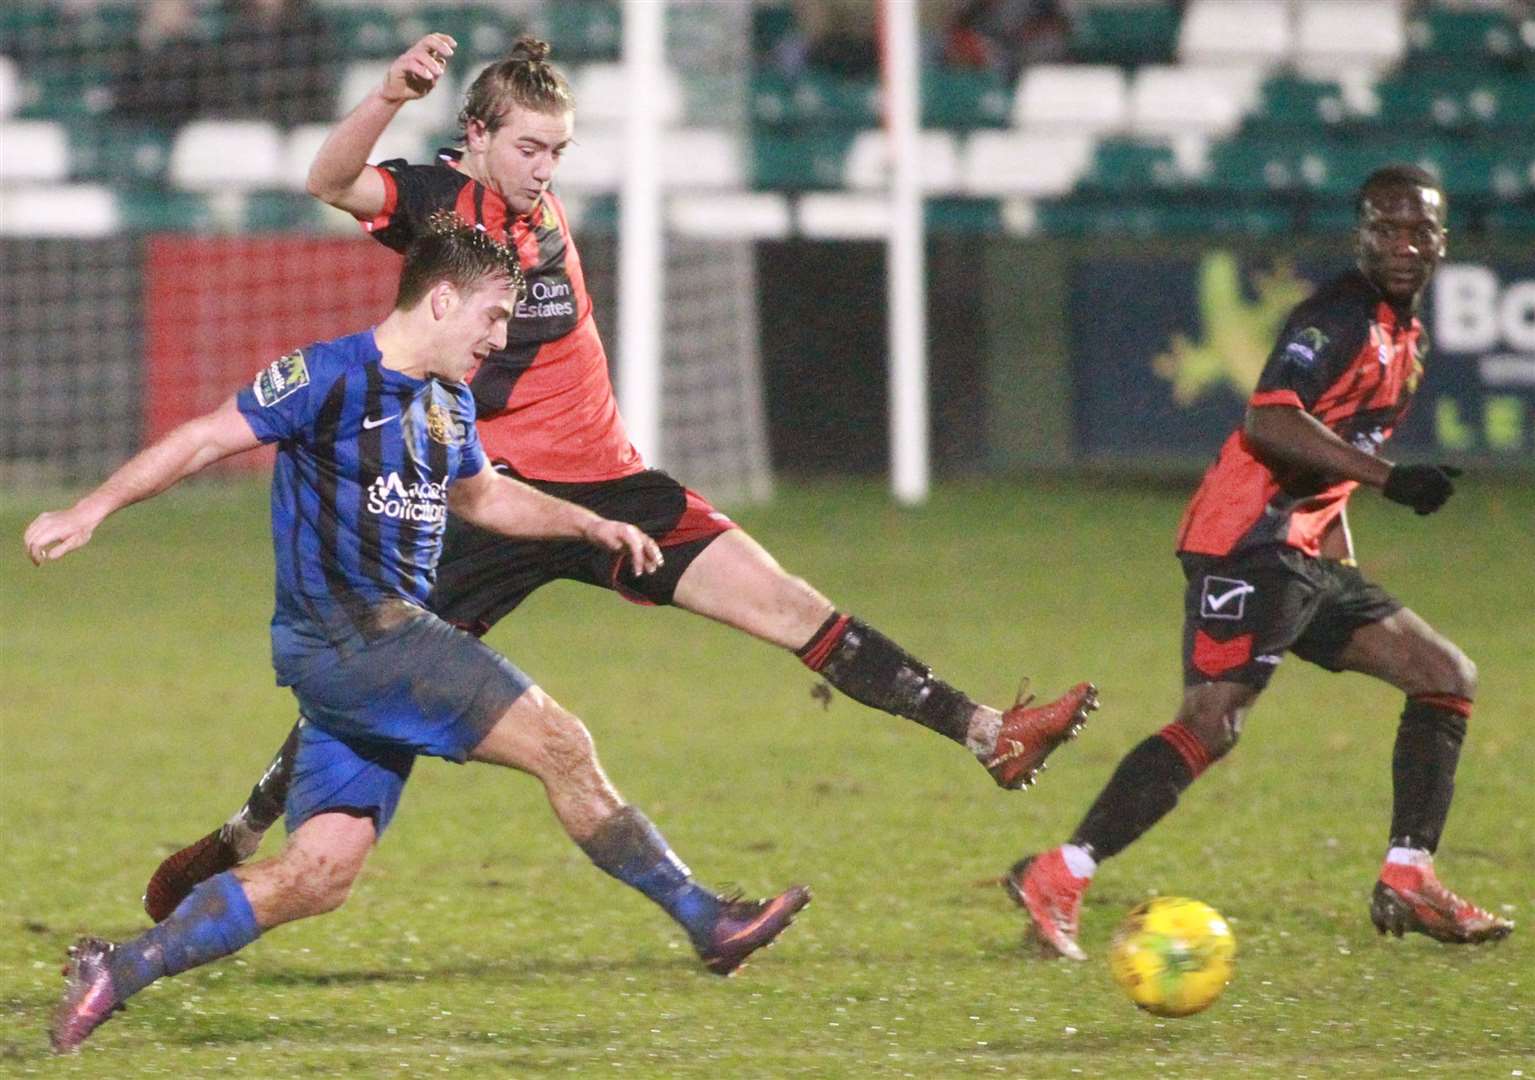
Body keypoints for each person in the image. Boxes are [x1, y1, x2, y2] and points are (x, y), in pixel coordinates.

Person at [140, 34, 1099, 924]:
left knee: (785, 603)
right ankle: (241, 834)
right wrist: (391, 93)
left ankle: (985, 733)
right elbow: (328, 178)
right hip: (496, 501)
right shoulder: (436, 204)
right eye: (527, 149)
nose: (544, 170)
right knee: (365, 686)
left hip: (614, 485)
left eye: (556, 151)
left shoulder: (533, 200)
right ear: (475, 140)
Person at [32, 214, 810, 1055]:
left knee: (318, 875)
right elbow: (202, 439)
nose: (501, 337)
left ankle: (120, 968)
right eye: (492, 317)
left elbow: (484, 499)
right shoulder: (325, 376)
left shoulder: (445, 404)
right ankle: (705, 919)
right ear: (441, 301)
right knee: (561, 744)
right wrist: (91, 508)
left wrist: (589, 525)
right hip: (360, 638)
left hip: (364, 663)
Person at [1003, 165, 1514, 960]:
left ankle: (1407, 877)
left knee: (1445, 675)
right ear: (1361, 237)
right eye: (1386, 229)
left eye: (1419, 230)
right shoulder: (1337, 316)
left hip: (1304, 550)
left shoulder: (1403, 335)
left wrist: (1342, 538)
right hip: (1246, 538)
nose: (1404, 245)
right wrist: (1388, 482)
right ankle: (1057, 874)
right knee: (1211, 724)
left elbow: (1339, 442)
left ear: (1442, 242)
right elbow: (1270, 421)